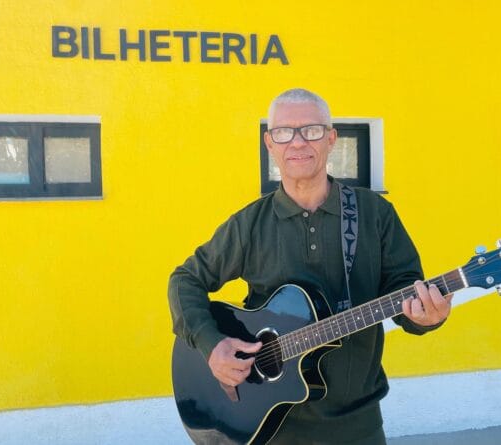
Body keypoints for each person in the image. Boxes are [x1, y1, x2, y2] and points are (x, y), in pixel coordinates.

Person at [168, 88, 452, 444]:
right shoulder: (249, 224)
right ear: (269, 143)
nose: (298, 142)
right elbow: (185, 280)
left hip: (358, 426)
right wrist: (212, 345)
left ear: (331, 139)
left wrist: (426, 317)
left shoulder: (375, 214)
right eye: (284, 132)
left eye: (312, 130)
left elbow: (406, 292)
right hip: (270, 427)